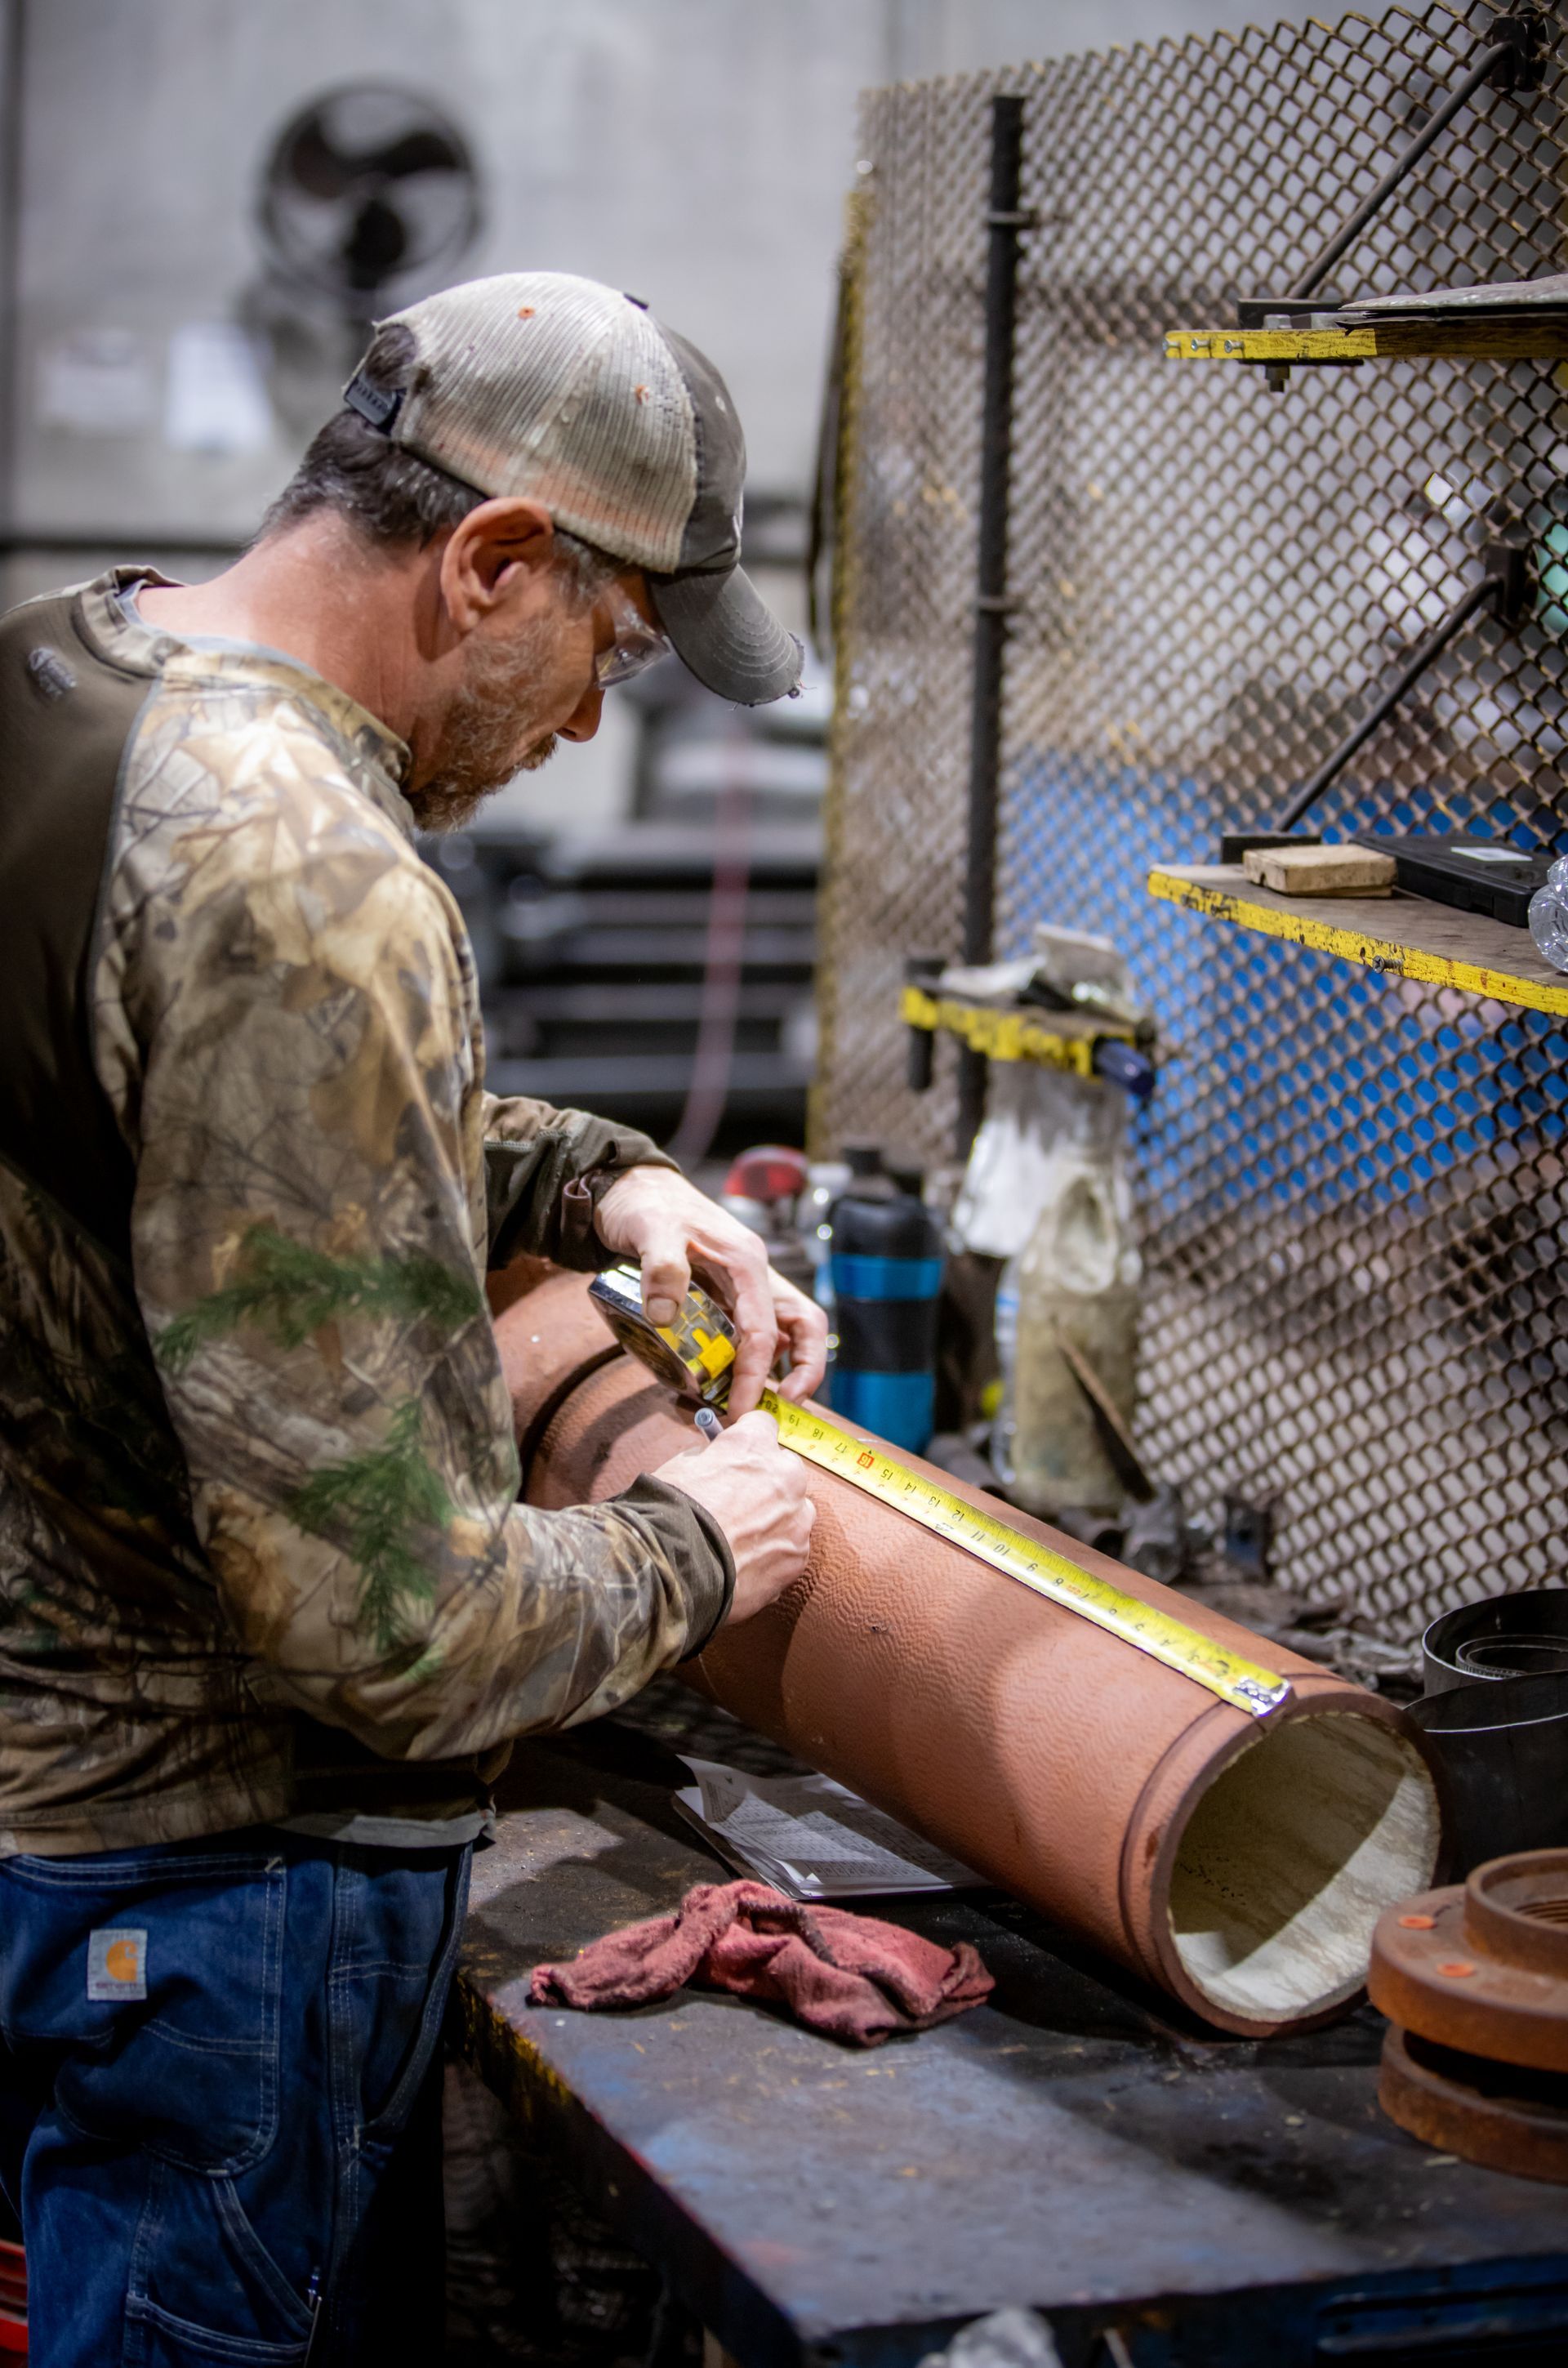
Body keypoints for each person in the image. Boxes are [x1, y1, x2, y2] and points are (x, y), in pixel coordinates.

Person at [0, 270, 826, 2365]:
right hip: (209, 1887)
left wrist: (587, 1175)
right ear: (492, 561)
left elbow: (193, 1134)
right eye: (608, 655)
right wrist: (708, 1543)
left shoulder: (73, 677)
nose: (576, 729)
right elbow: (389, 1627)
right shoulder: (310, 875)